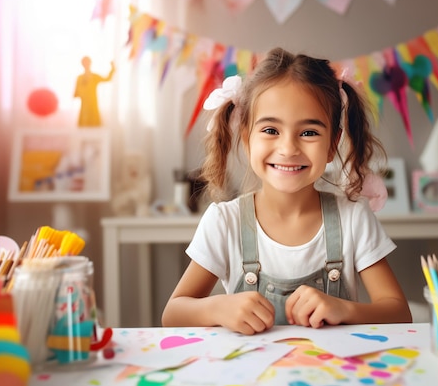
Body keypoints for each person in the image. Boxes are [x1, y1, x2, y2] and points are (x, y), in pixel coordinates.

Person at [162, 47, 412, 335]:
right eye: (270, 130)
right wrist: (218, 308)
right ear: (246, 137)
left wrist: (345, 309)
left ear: (332, 144)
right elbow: (173, 314)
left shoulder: (354, 218)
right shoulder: (224, 221)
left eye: (309, 133)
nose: (288, 148)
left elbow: (399, 313)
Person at [73, 56, 115, 127]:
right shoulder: (79, 78)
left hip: (93, 103)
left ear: (90, 63)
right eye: (84, 63)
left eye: (87, 62)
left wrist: (112, 69)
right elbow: (76, 93)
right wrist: (81, 93)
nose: (86, 64)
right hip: (84, 104)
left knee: (94, 124)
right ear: (82, 64)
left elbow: (107, 79)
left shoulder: (94, 77)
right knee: (84, 124)